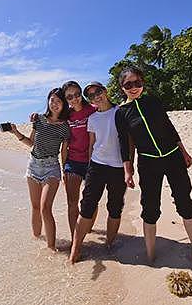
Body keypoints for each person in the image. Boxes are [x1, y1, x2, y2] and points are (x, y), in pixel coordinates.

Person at [114, 66, 192, 273]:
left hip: (172, 157)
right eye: (128, 84)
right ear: (122, 87)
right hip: (148, 163)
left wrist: (184, 151)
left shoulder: (153, 101)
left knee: (185, 203)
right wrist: (127, 170)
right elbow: (125, 143)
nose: (134, 88)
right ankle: (150, 254)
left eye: (137, 83)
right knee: (150, 209)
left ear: (143, 83)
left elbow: (169, 127)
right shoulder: (121, 113)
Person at [69, 82, 127, 263]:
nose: (96, 97)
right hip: (96, 165)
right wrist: (89, 168)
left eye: (98, 92)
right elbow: (92, 144)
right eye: (91, 95)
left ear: (105, 91)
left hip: (118, 167)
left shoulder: (120, 112)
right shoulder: (92, 118)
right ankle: (75, 250)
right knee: (87, 207)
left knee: (115, 208)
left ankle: (109, 245)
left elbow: (129, 141)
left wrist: (129, 166)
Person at [31, 81, 96, 238]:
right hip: (73, 162)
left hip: (94, 162)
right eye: (69, 97)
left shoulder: (94, 110)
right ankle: (76, 239)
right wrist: (64, 166)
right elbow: (63, 145)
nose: (74, 99)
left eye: (76, 94)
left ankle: (87, 229)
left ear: (81, 94)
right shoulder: (67, 116)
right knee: (72, 203)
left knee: (90, 203)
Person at [9, 88, 70, 251]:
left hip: (52, 168)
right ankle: (36, 239)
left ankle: (52, 249)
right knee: (35, 207)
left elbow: (64, 151)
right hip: (33, 166)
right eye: (52, 100)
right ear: (48, 101)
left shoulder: (65, 126)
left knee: (45, 207)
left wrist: (64, 173)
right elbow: (31, 142)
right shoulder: (39, 120)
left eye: (58, 101)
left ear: (64, 104)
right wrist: (16, 132)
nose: (55, 104)